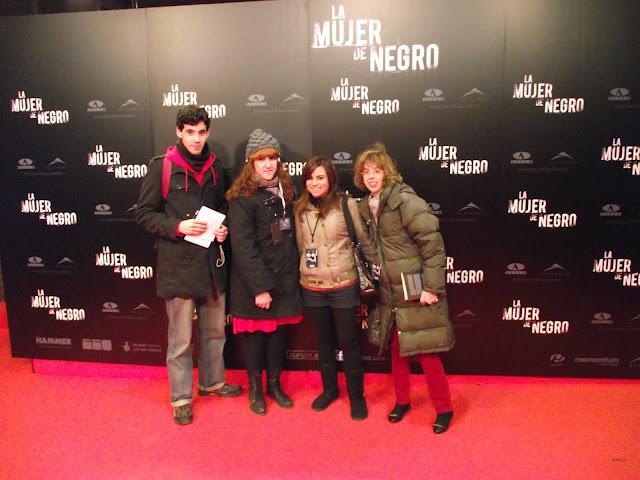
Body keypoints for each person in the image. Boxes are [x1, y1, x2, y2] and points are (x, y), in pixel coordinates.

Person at [135, 106, 242, 425]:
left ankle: (212, 383)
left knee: (213, 332)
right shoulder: (162, 167)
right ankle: (181, 397)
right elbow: (143, 213)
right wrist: (178, 227)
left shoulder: (215, 167)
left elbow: (222, 206)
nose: (196, 138)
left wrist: (224, 229)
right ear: (179, 132)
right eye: (190, 132)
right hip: (178, 266)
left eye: (202, 132)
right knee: (180, 339)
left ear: (208, 132)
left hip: (211, 264)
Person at [353, 142, 455, 434]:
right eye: (366, 172)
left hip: (416, 289)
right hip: (389, 292)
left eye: (377, 171)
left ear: (388, 173)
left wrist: (432, 287)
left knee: (427, 352)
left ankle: (444, 408)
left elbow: (433, 247)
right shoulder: (367, 205)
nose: (371, 176)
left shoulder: (405, 200)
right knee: (397, 352)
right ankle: (402, 401)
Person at [226, 128, 303, 416]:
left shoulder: (286, 192)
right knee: (256, 340)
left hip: (284, 280)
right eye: (261, 159)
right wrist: (260, 288)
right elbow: (243, 248)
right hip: (254, 286)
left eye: (272, 158)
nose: (268, 164)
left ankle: (274, 385)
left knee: (278, 337)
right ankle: (255, 389)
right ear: (250, 163)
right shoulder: (242, 198)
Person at [294, 156, 377, 421]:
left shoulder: (346, 204)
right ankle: (329, 390)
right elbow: (299, 246)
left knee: (349, 343)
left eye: (320, 177)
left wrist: (379, 269)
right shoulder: (299, 209)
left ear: (330, 179)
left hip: (343, 283)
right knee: (323, 343)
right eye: (310, 177)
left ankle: (356, 396)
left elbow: (364, 241)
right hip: (312, 286)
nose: (314, 182)